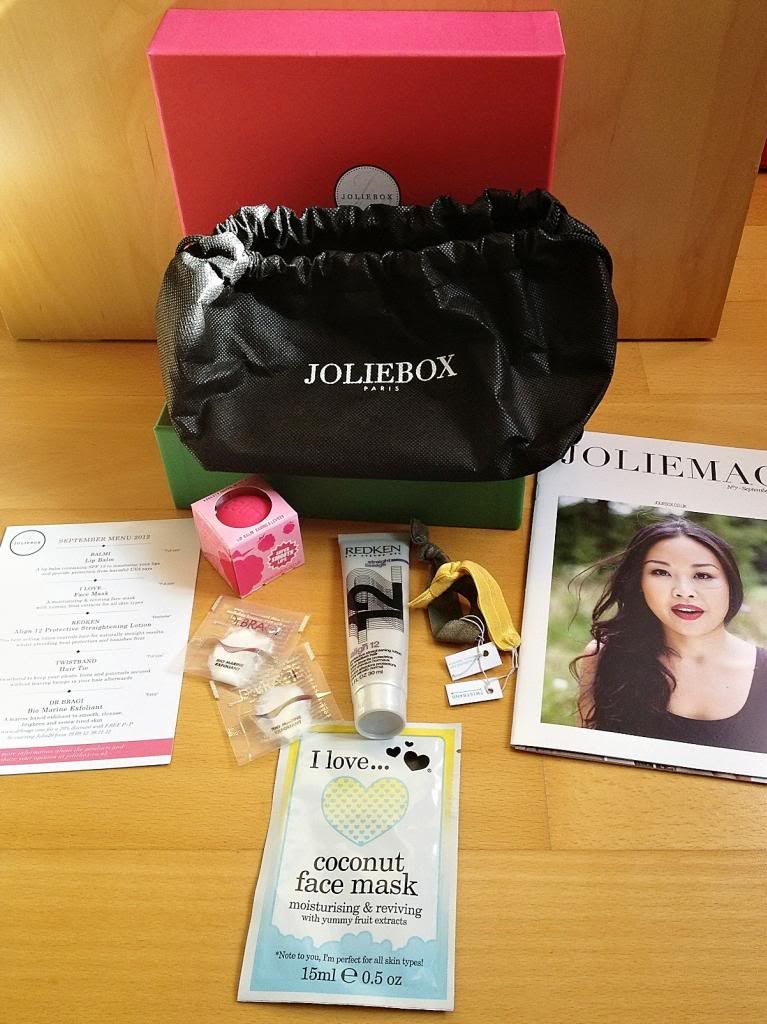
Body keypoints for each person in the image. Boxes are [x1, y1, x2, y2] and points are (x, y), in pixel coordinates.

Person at [575, 518, 767, 752]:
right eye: (661, 572)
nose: (684, 592)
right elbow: (584, 761)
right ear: (640, 584)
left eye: (703, 575)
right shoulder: (603, 657)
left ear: (731, 584)